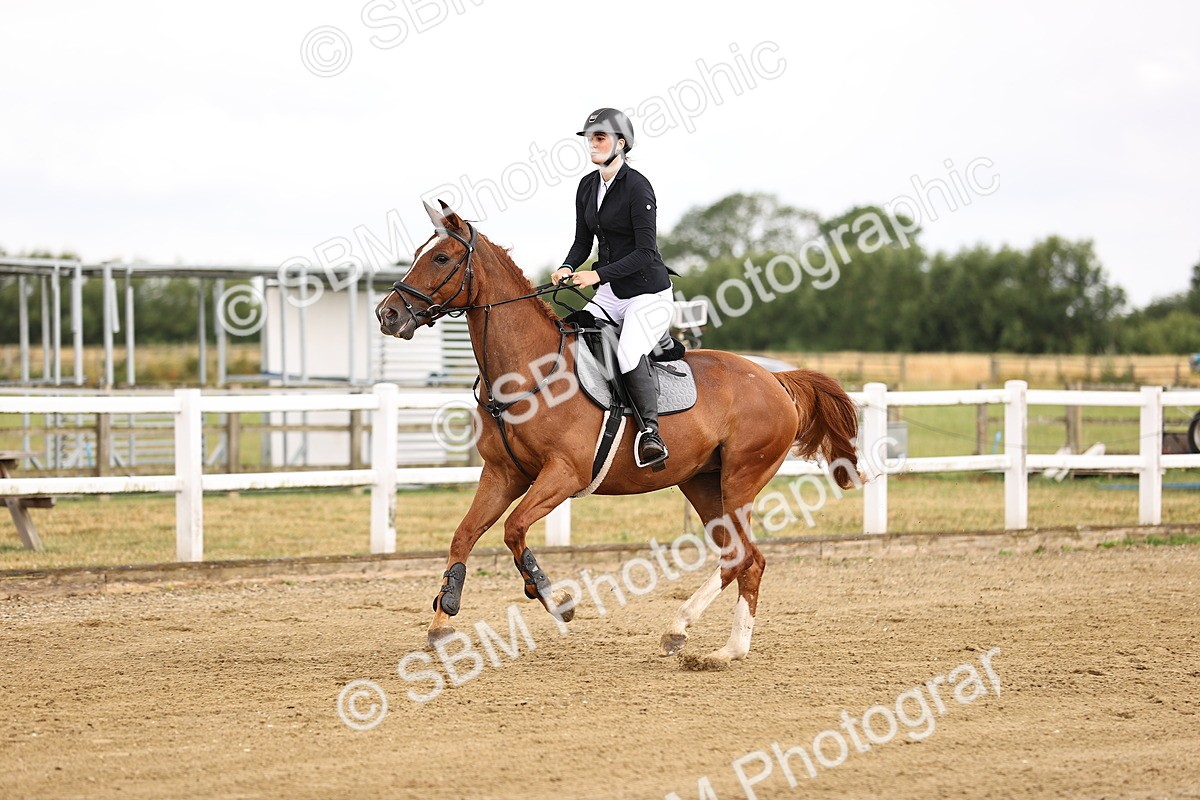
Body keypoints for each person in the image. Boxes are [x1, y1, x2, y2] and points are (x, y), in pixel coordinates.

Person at [552, 107, 676, 469]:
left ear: (620, 143)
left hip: (647, 293)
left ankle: (651, 434)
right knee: (575, 337)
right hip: (610, 293)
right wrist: (568, 265)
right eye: (590, 138)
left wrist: (597, 276)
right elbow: (581, 241)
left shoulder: (638, 186)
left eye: (600, 138)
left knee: (625, 354)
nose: (592, 144)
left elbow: (645, 251)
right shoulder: (588, 185)